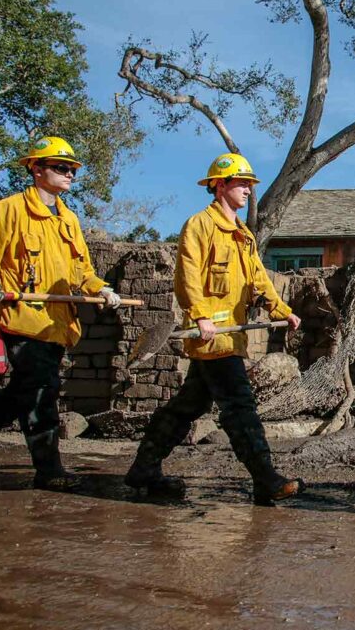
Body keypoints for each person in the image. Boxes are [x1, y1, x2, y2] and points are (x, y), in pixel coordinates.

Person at [0, 136, 122, 490]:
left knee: (20, 393)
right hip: (22, 320)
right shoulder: (10, 210)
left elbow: (82, 269)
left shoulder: (68, 219)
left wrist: (102, 289)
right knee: (40, 391)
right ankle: (49, 471)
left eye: (72, 169)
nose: (69, 174)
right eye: (61, 167)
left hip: (57, 323)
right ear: (36, 169)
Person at [123, 152, 304, 506]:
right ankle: (266, 479)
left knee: (187, 406)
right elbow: (187, 276)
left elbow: (258, 279)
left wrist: (282, 310)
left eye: (250, 184)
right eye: (241, 183)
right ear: (219, 185)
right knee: (239, 405)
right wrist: (200, 315)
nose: (249, 190)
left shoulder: (242, 234)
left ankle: (144, 468)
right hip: (211, 337)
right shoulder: (200, 226)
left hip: (230, 337)